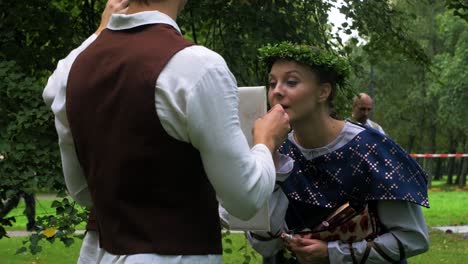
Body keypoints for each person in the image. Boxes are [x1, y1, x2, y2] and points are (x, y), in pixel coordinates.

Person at [43, 0, 290, 263]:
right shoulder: (198, 67)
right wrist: (266, 140)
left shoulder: (74, 70)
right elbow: (245, 197)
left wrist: (100, 32)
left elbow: (82, 193)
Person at [246, 42, 429, 263]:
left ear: (323, 91)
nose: (276, 92)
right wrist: (270, 158)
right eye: (272, 83)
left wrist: (333, 253)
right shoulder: (272, 149)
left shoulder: (370, 147)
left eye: (291, 82)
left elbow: (413, 238)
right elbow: (265, 245)